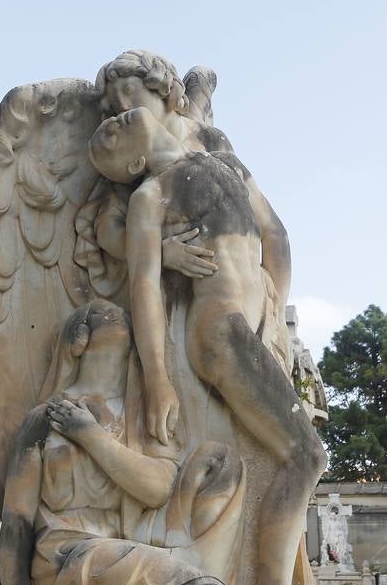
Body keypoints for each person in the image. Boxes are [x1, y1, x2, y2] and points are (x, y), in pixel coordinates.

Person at [88, 108, 328, 585]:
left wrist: (275, 319)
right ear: (135, 163)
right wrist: (158, 380)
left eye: (117, 121)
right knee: (307, 457)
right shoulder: (152, 195)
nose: (114, 122)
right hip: (215, 331)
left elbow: (278, 239)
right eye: (109, 136)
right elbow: (145, 287)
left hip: (247, 327)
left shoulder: (226, 165)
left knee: (304, 458)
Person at [0, 299, 247, 585]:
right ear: (77, 337)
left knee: (222, 463)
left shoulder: (139, 417)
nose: (114, 312)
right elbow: (15, 524)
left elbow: (158, 489)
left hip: (127, 544)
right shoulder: (43, 419)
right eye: (98, 312)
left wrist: (90, 436)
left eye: (121, 313)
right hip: (67, 560)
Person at [95, 50, 292, 372]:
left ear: (164, 88)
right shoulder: (129, 153)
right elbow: (106, 227)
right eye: (116, 104)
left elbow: (273, 231)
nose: (125, 107)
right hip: (177, 307)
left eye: (131, 92)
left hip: (244, 299)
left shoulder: (208, 140)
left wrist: (278, 314)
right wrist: (159, 253)